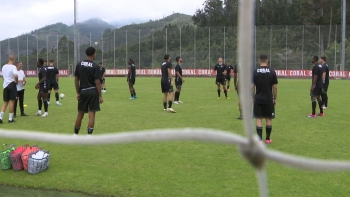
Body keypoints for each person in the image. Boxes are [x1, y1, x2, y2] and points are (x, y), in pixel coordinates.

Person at [73, 47, 103, 136]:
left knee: (80, 114)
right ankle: (89, 136)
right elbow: (97, 82)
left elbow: (76, 80)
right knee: (92, 114)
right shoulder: (96, 66)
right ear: (93, 54)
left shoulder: (79, 64)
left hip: (83, 91)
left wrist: (78, 92)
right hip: (93, 92)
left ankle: (75, 135)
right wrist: (100, 95)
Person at [253, 54, 278, 144]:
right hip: (268, 99)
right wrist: (275, 99)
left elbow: (252, 86)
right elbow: (275, 87)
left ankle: (259, 140)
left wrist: (253, 97)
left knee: (259, 119)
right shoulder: (272, 71)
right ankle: (267, 139)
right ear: (267, 61)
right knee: (268, 119)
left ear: (259, 61)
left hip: (258, 99)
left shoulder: (255, 71)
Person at [0, 55, 18, 123]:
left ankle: (0, 117)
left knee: (5, 102)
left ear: (8, 59)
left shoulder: (4, 66)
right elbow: (15, 75)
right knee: (12, 102)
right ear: (14, 59)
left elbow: (3, 76)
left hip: (5, 85)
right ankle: (10, 119)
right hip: (12, 84)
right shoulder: (13, 67)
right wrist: (16, 81)